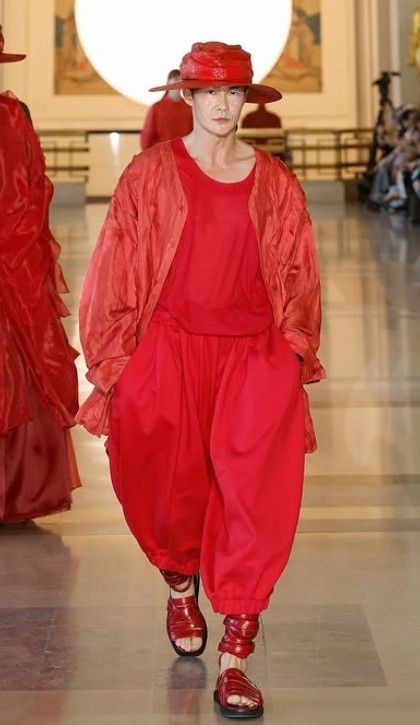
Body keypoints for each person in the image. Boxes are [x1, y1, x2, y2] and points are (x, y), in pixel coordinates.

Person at [78, 41, 325, 719]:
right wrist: (117, 365)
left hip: (253, 358)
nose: (222, 105)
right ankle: (180, 583)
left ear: (247, 99)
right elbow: (113, 268)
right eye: (209, 92)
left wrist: (291, 353)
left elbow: (300, 271)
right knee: (167, 490)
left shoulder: (274, 181)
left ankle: (237, 653)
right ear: (186, 97)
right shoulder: (150, 175)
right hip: (169, 353)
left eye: (233, 92)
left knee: (255, 500)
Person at [0, 26, 81, 523]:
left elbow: (33, 189)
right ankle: (17, 492)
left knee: (19, 366)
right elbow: (35, 191)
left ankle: (16, 491)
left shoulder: (16, 114)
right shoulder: (16, 114)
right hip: (15, 261)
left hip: (13, 264)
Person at [140, 68, 193, 150]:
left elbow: (194, 134)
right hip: (162, 153)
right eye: (176, 79)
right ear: (168, 82)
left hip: (184, 153)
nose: (178, 82)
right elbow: (147, 137)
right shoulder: (156, 108)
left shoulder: (189, 108)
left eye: (181, 80)